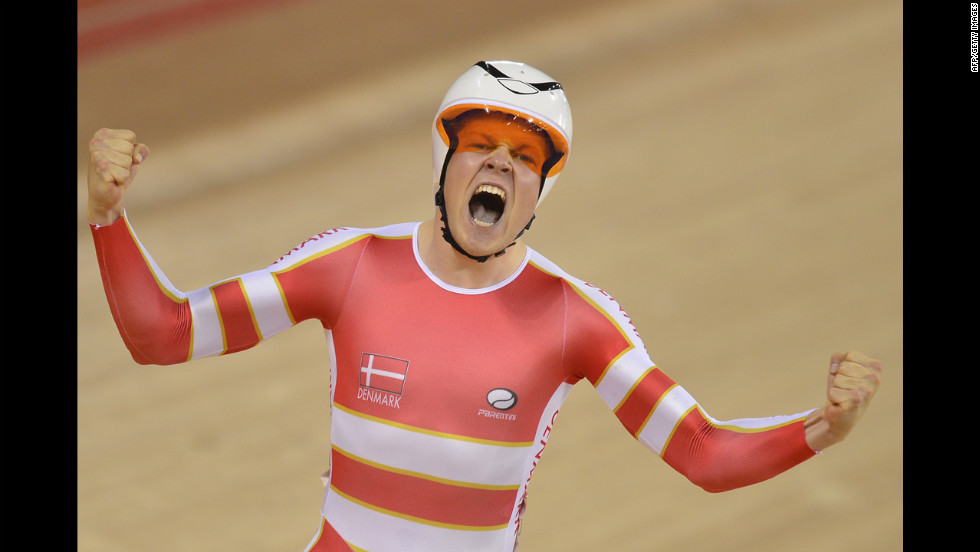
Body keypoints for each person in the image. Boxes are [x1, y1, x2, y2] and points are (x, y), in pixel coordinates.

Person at [85, 60, 882, 552]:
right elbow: (164, 333)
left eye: (525, 157)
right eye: (484, 147)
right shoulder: (351, 267)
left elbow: (703, 454)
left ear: (540, 188)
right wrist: (107, 217)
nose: (502, 165)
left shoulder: (575, 318)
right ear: (447, 160)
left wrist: (825, 428)